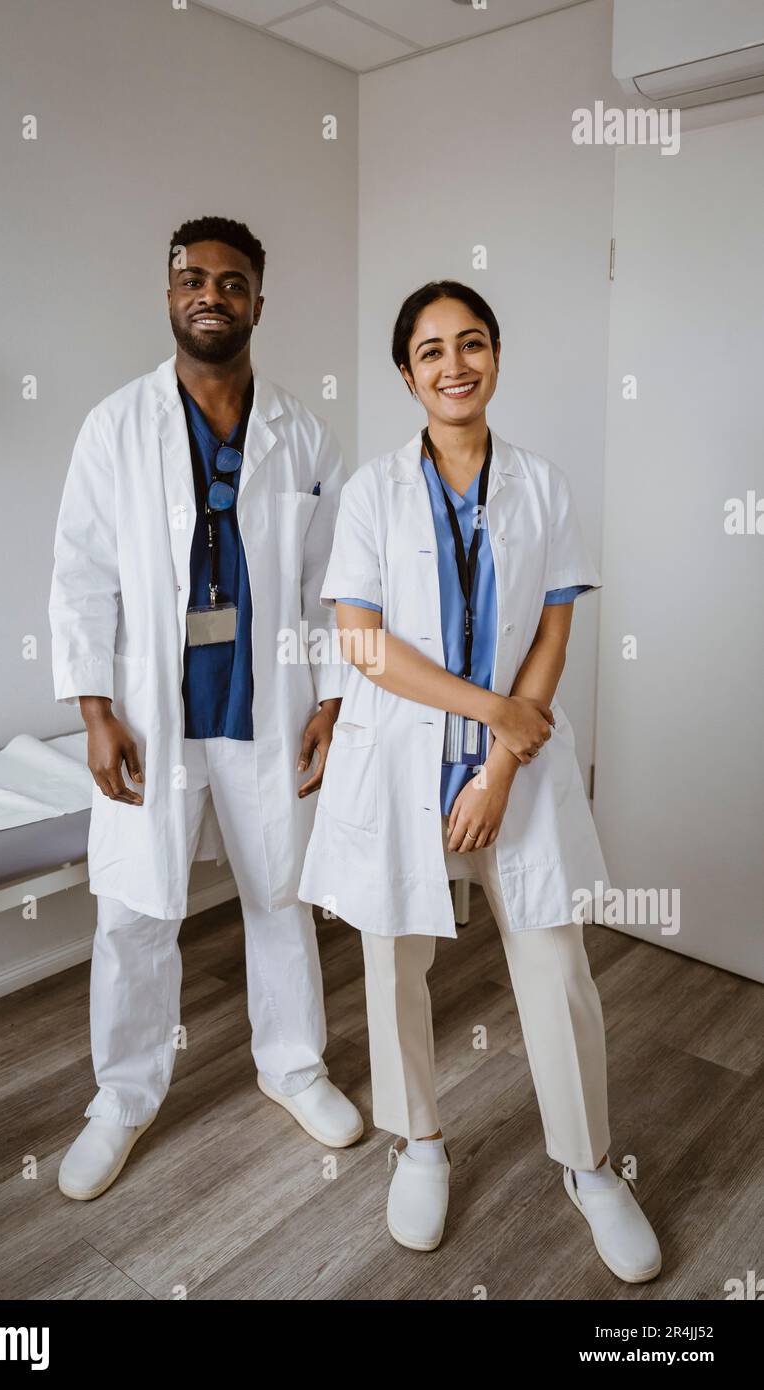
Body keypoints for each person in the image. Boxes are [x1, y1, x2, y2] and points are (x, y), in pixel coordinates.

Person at [298, 281, 662, 1283]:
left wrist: (501, 755)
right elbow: (361, 641)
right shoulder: (370, 492)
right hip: (399, 761)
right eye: (429, 350)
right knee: (391, 961)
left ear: (495, 356)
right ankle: (417, 1144)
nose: (451, 363)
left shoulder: (540, 484)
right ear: (404, 373)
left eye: (470, 343)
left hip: (515, 767)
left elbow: (550, 630)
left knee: (553, 962)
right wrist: (490, 707)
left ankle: (588, 1165)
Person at [49, 216, 362, 1201]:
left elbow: (331, 582)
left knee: (278, 891)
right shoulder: (115, 426)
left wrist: (335, 698)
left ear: (258, 303)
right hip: (153, 710)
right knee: (135, 907)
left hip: (267, 702)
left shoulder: (304, 432)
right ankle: (123, 1096)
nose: (211, 295)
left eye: (232, 283)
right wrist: (95, 708)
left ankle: (293, 1065)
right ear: (169, 292)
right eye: (193, 278)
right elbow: (79, 576)